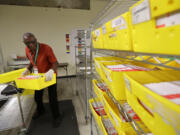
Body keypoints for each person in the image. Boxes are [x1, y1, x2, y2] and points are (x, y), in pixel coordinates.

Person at [22, 32, 62, 128]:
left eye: (33, 42)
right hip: (39, 77)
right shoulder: (27, 50)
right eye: (28, 43)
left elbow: (56, 63)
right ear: (24, 43)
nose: (31, 45)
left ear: (36, 39)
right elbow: (32, 61)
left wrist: (51, 71)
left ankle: (57, 117)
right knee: (37, 97)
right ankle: (41, 110)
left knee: (52, 98)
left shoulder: (46, 48)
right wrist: (28, 68)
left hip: (50, 76)